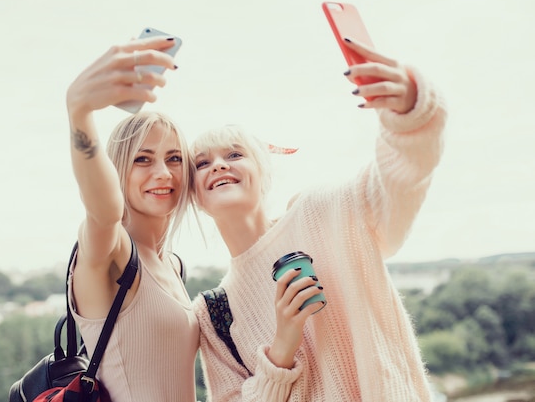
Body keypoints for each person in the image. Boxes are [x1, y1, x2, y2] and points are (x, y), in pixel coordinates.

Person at [191, 37, 447, 401]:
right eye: (202, 163)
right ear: (195, 194)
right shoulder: (213, 312)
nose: (218, 164)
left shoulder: (321, 212)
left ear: (264, 173)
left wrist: (409, 112)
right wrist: (282, 347)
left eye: (234, 154)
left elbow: (399, 179)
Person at [65, 36, 199, 401]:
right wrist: (80, 112)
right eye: (143, 159)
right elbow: (104, 210)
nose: (163, 173)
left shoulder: (172, 265)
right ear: (117, 170)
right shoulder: (112, 251)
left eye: (173, 158)